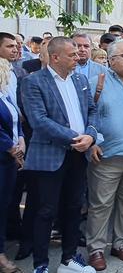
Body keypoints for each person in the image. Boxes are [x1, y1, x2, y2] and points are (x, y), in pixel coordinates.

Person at [23, 36, 98, 273]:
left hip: (79, 154)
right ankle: (41, 264)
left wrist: (91, 136)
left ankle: (69, 259)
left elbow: (92, 111)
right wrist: (74, 138)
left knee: (74, 206)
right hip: (49, 156)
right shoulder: (33, 81)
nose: (78, 58)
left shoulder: (79, 79)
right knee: (45, 211)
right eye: (72, 55)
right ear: (55, 57)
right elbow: (39, 120)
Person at [85, 40, 123, 271]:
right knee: (101, 204)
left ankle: (120, 243)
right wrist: (92, 143)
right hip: (106, 154)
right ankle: (96, 248)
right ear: (111, 61)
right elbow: (86, 116)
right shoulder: (96, 83)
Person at [0, 57, 24, 273]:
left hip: (9, 161)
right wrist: (10, 146)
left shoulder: (5, 95)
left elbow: (15, 121)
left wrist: (21, 140)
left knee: (4, 205)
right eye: (7, 70)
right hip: (3, 156)